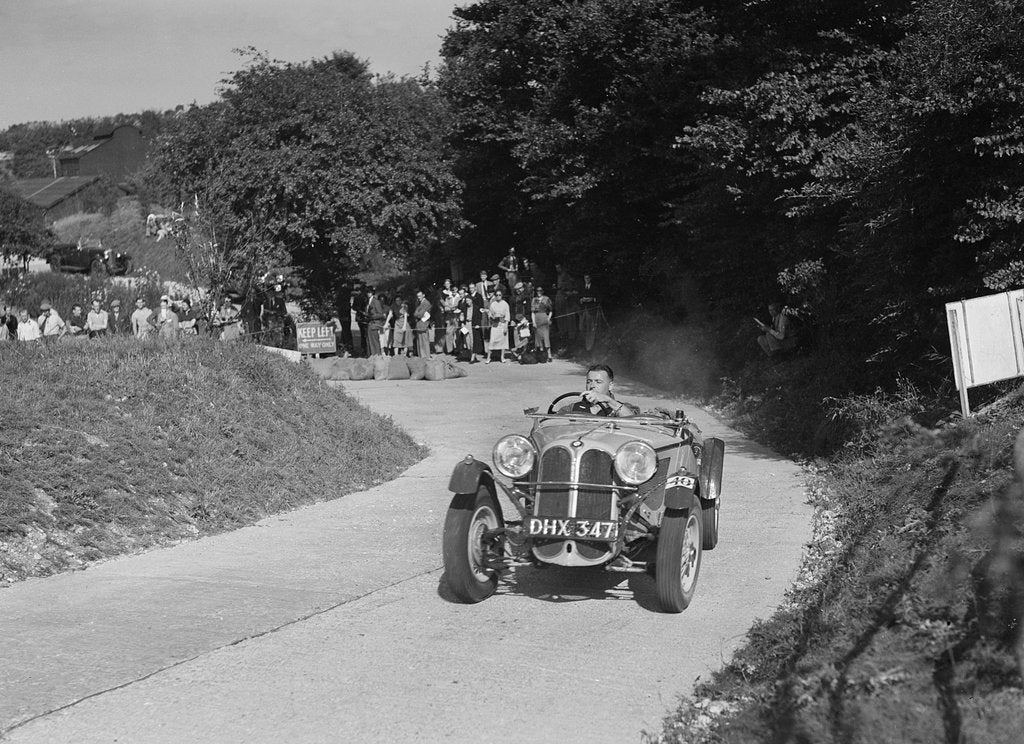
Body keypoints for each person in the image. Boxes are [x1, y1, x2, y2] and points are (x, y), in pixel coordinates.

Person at [560, 364, 640, 417]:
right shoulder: (572, 408)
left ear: (610, 386)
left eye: (598, 382)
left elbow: (634, 422)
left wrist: (608, 400)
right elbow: (553, 424)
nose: (592, 386)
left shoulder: (622, 408)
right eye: (589, 382)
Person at [487, 288, 511, 363]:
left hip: (502, 324)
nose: (498, 296)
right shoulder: (493, 304)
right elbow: (490, 314)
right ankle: (488, 358)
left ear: (502, 296)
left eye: (499, 295)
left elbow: (507, 315)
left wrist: (506, 326)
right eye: (496, 295)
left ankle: (502, 357)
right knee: (492, 341)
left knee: (503, 342)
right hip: (495, 325)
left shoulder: (505, 304)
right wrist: (491, 316)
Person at [578, 273, 600, 352]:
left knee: (590, 328)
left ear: (590, 279)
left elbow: (599, 298)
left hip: (591, 310)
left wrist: (592, 299)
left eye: (588, 278)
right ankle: (585, 344)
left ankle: (590, 347)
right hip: (583, 310)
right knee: (581, 328)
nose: (586, 280)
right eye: (585, 278)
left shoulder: (595, 287)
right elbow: (578, 297)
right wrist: (581, 300)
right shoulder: (582, 287)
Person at [531, 285, 553, 360]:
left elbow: (550, 311)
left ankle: (549, 355)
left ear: (543, 292)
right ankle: (541, 355)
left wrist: (548, 318)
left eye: (540, 291)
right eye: (537, 291)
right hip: (537, 318)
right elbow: (533, 312)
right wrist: (533, 322)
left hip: (544, 318)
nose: (539, 292)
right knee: (538, 337)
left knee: (546, 337)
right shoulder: (534, 300)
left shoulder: (547, 299)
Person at [363, 286, 386, 356]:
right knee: (370, 342)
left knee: (375, 342)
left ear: (372, 293)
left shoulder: (376, 301)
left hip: (375, 324)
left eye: (370, 292)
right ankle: (372, 356)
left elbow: (380, 314)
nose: (368, 294)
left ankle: (377, 356)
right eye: (367, 292)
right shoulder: (368, 301)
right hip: (370, 324)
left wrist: (371, 316)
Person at [413, 289, 432, 359]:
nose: (419, 297)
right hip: (419, 324)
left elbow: (419, 314)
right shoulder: (419, 303)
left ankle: (426, 356)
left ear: (423, 295)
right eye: (418, 296)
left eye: (420, 296)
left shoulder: (426, 303)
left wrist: (416, 313)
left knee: (425, 341)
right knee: (419, 342)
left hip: (424, 324)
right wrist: (416, 313)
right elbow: (416, 313)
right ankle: (422, 356)